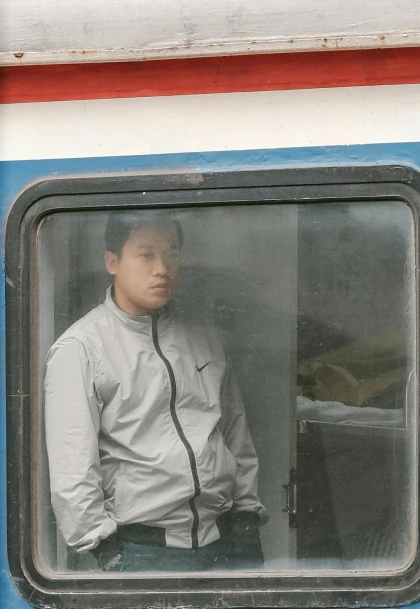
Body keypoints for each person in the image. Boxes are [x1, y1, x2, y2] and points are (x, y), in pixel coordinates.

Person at [42, 209, 266, 572]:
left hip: (227, 540)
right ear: (112, 262)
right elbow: (73, 467)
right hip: (143, 551)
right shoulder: (81, 348)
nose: (162, 268)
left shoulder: (202, 336)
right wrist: (105, 549)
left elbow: (234, 433)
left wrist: (247, 515)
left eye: (172, 254)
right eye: (146, 254)